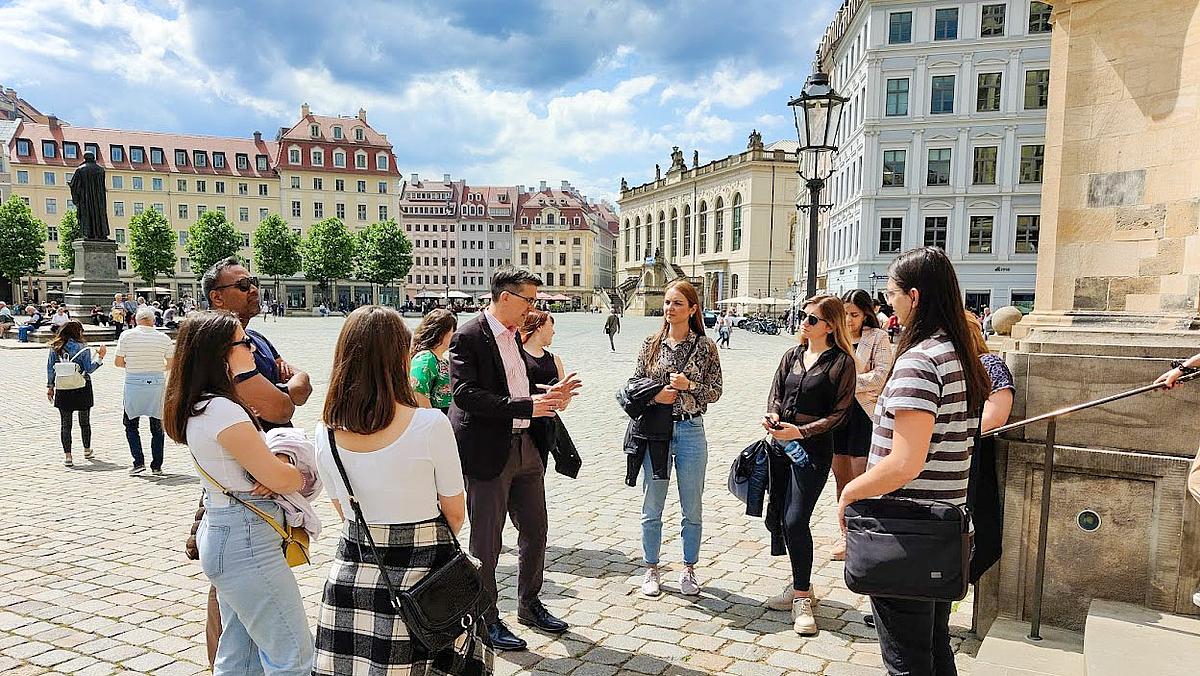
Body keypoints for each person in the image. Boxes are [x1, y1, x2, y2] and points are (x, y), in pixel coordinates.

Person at [313, 306, 491, 675]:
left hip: (353, 574)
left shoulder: (324, 431)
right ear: (400, 356)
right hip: (424, 578)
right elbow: (455, 513)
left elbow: (342, 508)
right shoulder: (429, 425)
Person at [837, 247, 990, 676]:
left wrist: (850, 492)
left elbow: (905, 461)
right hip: (940, 524)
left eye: (891, 294)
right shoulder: (955, 353)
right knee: (934, 651)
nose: (888, 303)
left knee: (907, 660)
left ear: (915, 297)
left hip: (907, 528)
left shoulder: (920, 361)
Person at [163, 312, 313, 676]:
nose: (251, 347)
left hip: (225, 529)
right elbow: (284, 479)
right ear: (221, 354)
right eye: (243, 342)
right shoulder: (222, 409)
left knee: (240, 654)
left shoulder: (200, 404)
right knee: (292, 654)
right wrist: (294, 468)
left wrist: (274, 471)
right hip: (246, 539)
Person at [447, 268, 581, 652]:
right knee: (487, 542)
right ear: (505, 297)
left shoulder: (516, 339)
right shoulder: (469, 335)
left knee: (536, 531)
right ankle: (486, 619)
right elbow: (466, 395)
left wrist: (550, 396)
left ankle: (529, 604)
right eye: (529, 301)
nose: (532, 309)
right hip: (489, 451)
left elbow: (515, 387)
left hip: (528, 448)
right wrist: (528, 403)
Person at [197, 256, 314, 667]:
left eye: (254, 282)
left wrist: (288, 385)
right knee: (246, 614)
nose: (253, 289)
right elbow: (283, 407)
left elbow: (301, 383)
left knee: (242, 631)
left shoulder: (257, 340)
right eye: (243, 285)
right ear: (217, 298)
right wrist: (283, 390)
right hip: (244, 485)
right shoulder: (214, 358)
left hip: (254, 486)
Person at [761, 295, 856, 635]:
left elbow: (840, 414)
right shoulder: (793, 355)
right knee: (782, 519)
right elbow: (776, 393)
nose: (805, 322)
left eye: (812, 319)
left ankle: (801, 598)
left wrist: (801, 431)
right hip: (780, 446)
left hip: (813, 452)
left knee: (796, 518)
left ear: (830, 326)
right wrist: (773, 415)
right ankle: (802, 585)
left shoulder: (841, 363)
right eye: (804, 316)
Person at [633, 279, 723, 599]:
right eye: (667, 302)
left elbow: (715, 391)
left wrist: (689, 386)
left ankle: (688, 568)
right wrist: (657, 395)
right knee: (652, 504)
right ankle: (651, 568)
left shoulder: (705, 346)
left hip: (690, 431)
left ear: (693, 309)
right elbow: (635, 386)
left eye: (677, 304)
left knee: (692, 506)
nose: (670, 309)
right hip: (656, 434)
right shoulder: (650, 344)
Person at [829, 289, 893, 562]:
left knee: (860, 478)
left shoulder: (878, 337)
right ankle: (845, 531)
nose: (849, 320)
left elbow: (880, 377)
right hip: (837, 414)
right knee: (840, 477)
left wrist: (847, 382)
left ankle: (861, 534)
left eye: (854, 314)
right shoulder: (835, 338)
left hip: (863, 414)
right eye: (844, 314)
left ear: (866, 313)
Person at [116, 306, 174, 475]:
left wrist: (134, 366)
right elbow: (170, 364)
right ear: (153, 321)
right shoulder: (163, 338)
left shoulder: (126, 335)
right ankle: (157, 465)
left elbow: (118, 362)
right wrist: (156, 367)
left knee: (130, 424)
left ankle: (138, 461)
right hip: (156, 382)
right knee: (157, 426)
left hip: (134, 382)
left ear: (135, 319)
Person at [47, 321, 105, 467]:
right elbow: (89, 369)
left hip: (63, 387)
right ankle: (87, 449)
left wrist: (50, 387)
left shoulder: (55, 347)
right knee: (84, 422)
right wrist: (100, 357)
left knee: (65, 424)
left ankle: (68, 456)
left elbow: (50, 369)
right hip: (82, 386)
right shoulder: (83, 348)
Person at [410, 308, 458, 413]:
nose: (455, 335)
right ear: (441, 333)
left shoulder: (442, 360)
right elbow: (418, 392)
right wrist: (434, 422)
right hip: (435, 419)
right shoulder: (426, 358)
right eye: (453, 331)